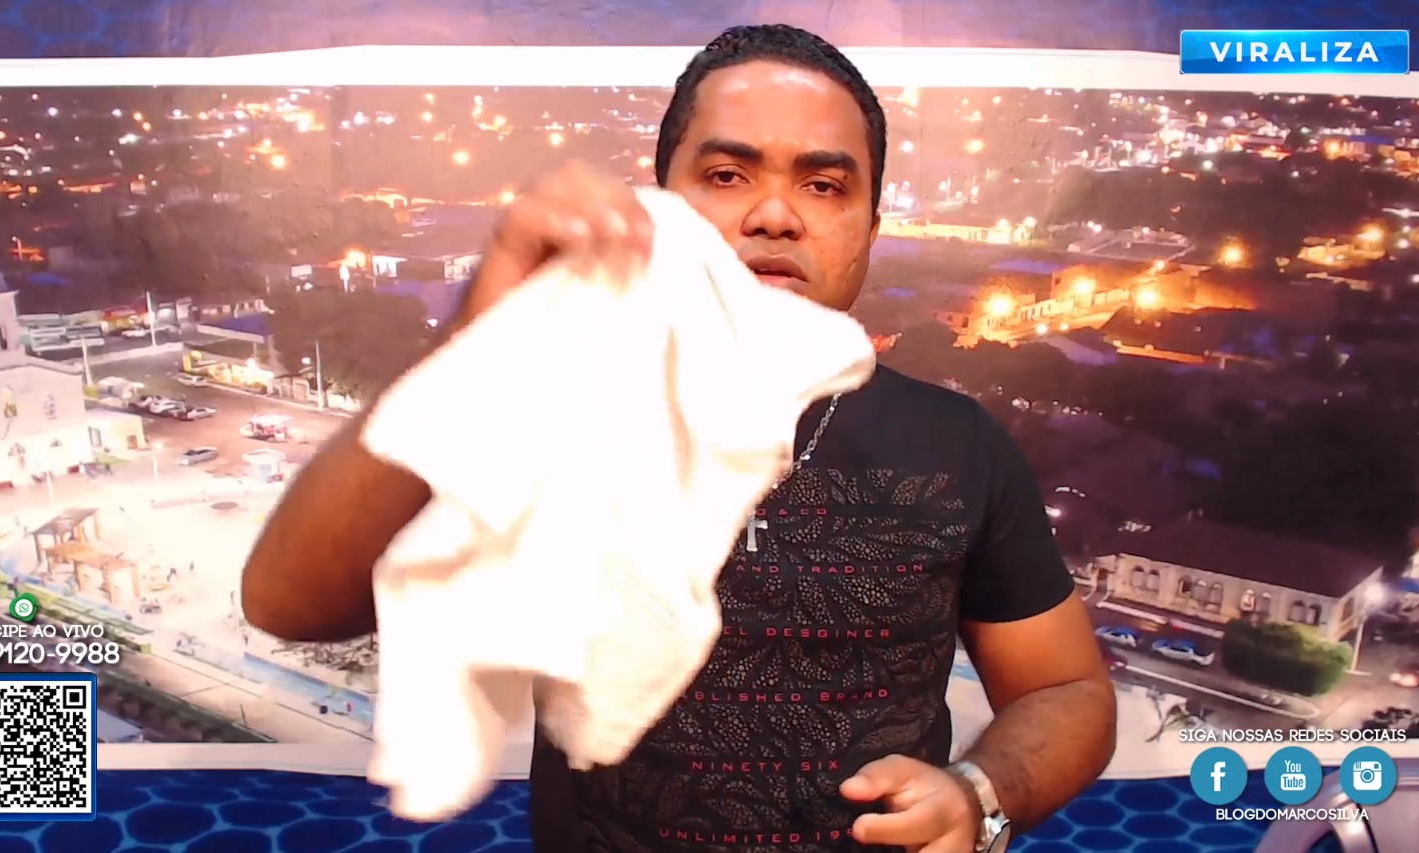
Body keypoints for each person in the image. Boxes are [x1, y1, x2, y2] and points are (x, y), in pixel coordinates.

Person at [242, 24, 1115, 853]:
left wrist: (980, 790)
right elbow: (289, 604)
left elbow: (1067, 688)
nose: (774, 214)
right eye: (728, 175)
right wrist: (481, 341)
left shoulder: (958, 446)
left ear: (869, 229)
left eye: (824, 185)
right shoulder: (551, 402)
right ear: (662, 204)